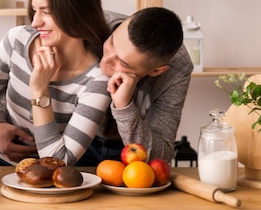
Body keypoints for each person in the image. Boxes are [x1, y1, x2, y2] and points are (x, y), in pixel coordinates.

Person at [0, 0, 112, 166]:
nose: (35, 22)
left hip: (43, 172)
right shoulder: (17, 40)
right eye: (35, 10)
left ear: (77, 12)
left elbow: (60, 160)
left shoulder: (97, 80)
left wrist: (39, 91)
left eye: (46, 12)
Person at [82, 8, 193, 164]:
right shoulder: (96, 23)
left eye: (123, 63)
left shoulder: (177, 69)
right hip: (78, 140)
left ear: (156, 71)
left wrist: (124, 107)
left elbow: (161, 155)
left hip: (133, 155)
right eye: (111, 43)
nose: (106, 61)